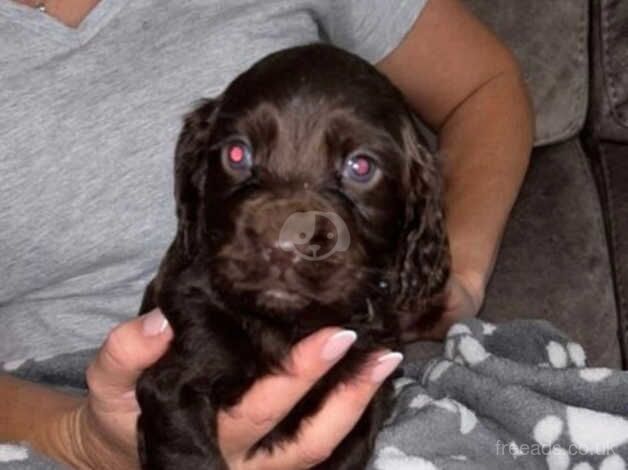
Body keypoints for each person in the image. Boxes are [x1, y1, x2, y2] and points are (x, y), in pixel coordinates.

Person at [0, 0, 533, 468]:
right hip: (42, 417)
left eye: (359, 168)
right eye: (240, 156)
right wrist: (77, 439)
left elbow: (485, 85)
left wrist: (452, 275)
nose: (286, 233)